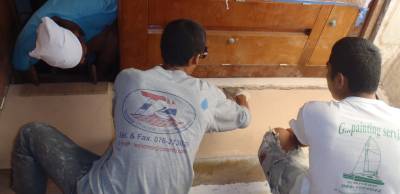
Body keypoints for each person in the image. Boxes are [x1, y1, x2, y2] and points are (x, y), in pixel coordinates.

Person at [11, 19, 251, 194]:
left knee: (30, 133)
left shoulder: (127, 78)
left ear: (162, 50)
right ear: (196, 59)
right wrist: (240, 95)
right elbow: (244, 118)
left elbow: (123, 117)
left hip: (102, 189)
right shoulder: (207, 95)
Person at [258, 37, 400, 194]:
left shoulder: (317, 112)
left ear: (339, 80)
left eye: (328, 70)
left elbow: (294, 140)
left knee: (278, 136)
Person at [12, 0, 118, 81]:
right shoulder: (26, 43)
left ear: (77, 34)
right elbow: (22, 68)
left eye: (83, 55)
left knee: (112, 39)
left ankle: (101, 76)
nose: (83, 60)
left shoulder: (102, 5)